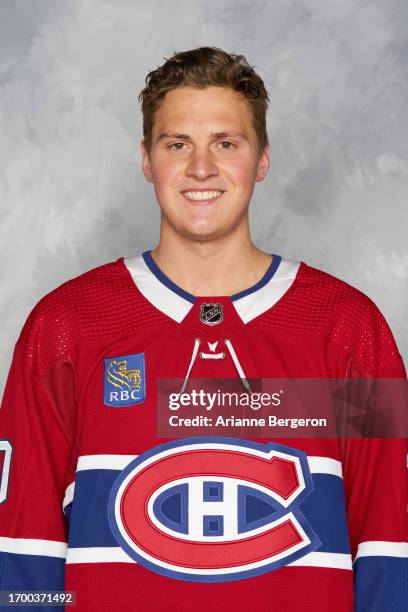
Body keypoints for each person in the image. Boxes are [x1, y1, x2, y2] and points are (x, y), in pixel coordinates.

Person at [0, 46, 406, 611]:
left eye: (226, 143)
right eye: (177, 144)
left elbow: (390, 546)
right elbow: (23, 553)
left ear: (261, 159)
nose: (200, 168)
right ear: (147, 160)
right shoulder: (66, 326)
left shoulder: (349, 330)